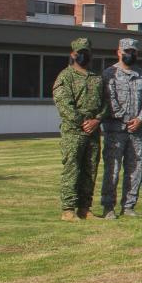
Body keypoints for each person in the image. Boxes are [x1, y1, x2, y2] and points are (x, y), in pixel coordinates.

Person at [52, 37, 106, 221]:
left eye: (86, 52)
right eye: (79, 52)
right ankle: (68, 209)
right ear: (73, 54)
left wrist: (97, 120)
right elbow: (64, 105)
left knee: (90, 169)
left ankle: (85, 208)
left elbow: (105, 103)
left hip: (93, 131)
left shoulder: (97, 77)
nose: (83, 56)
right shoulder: (65, 76)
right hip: (74, 132)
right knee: (72, 169)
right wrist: (83, 122)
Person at [100, 37, 142, 219]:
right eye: (126, 51)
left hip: (137, 131)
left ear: (137, 54)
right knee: (112, 170)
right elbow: (110, 100)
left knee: (135, 169)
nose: (129, 54)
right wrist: (125, 119)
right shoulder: (109, 74)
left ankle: (129, 206)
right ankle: (108, 207)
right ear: (118, 52)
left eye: (133, 52)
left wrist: (140, 119)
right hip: (115, 130)